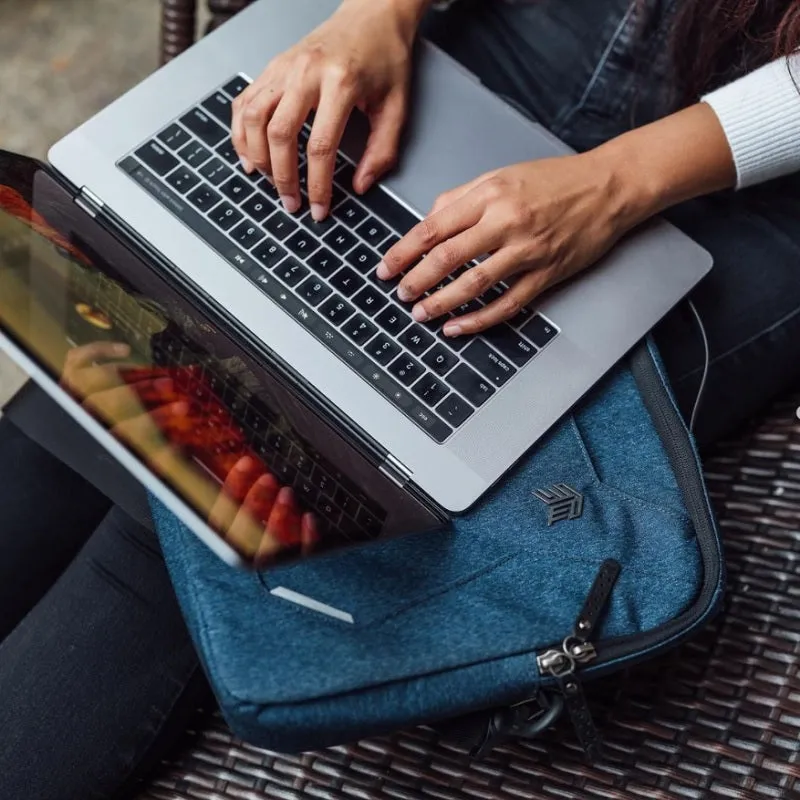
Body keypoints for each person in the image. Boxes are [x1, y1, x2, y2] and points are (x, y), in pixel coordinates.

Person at [1, 0, 798, 797]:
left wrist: (616, 182)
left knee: (216, 486)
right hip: (542, 27)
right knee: (89, 394)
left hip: (749, 173)